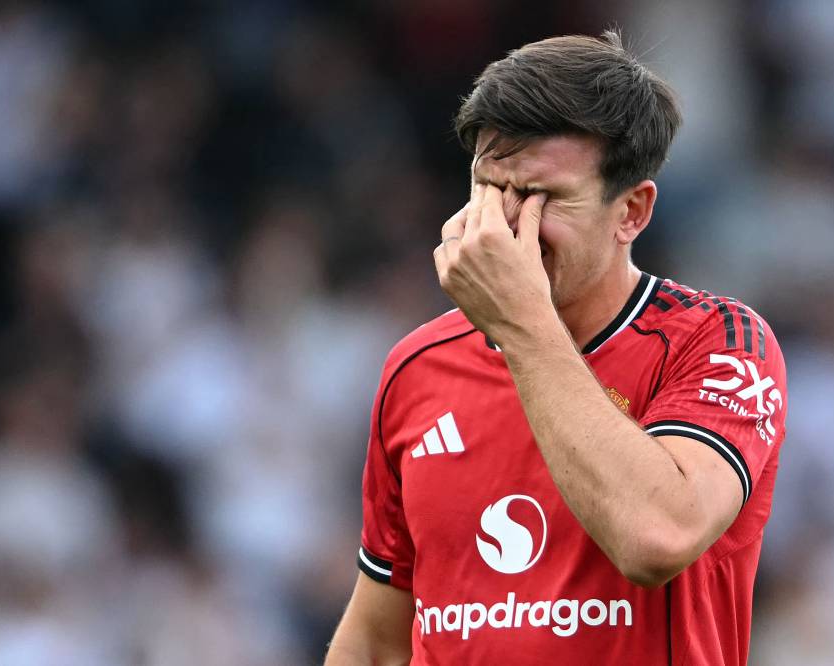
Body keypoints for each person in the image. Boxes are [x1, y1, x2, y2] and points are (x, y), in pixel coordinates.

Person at [326, 31, 787, 665]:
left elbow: (658, 536)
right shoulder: (416, 366)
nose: (510, 224)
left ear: (631, 211)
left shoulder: (717, 343)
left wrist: (522, 324)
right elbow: (377, 642)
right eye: (492, 189)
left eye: (547, 199)